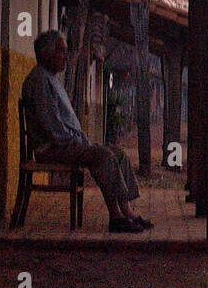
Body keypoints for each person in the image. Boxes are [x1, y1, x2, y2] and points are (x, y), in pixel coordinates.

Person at [21, 30, 153, 233]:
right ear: (47, 54)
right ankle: (116, 216)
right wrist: (78, 143)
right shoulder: (40, 80)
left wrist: (80, 141)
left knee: (118, 153)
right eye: (61, 52)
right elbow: (52, 126)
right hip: (53, 148)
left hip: (66, 144)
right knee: (103, 156)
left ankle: (128, 213)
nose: (66, 56)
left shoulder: (51, 78)